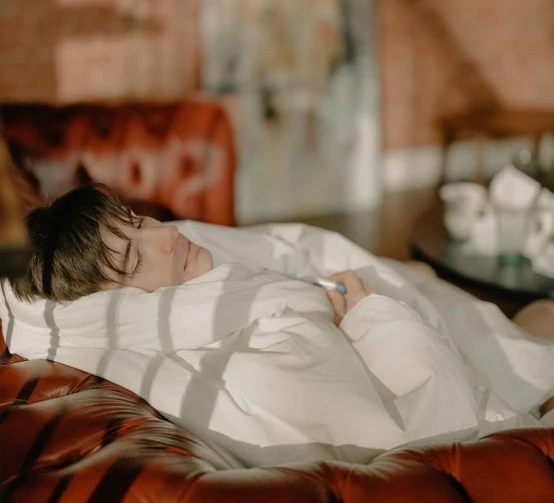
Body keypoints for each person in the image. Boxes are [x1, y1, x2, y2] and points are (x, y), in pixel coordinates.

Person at [3, 183, 554, 466]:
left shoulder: (194, 288)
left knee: (490, 307)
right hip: (494, 435)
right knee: (537, 318)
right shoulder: (248, 361)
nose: (166, 236)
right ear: (114, 312)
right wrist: (368, 313)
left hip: (358, 304)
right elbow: (421, 434)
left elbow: (280, 248)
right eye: (133, 260)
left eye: (137, 220)